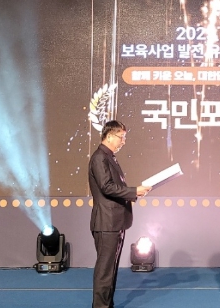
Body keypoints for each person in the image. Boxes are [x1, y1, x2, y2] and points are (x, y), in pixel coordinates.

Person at [89, 120, 150, 308]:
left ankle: (107, 305)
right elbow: (106, 187)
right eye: (121, 137)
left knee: (111, 270)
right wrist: (134, 191)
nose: (123, 141)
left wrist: (133, 193)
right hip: (106, 222)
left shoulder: (109, 157)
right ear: (109, 136)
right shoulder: (100, 158)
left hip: (115, 221)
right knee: (105, 271)